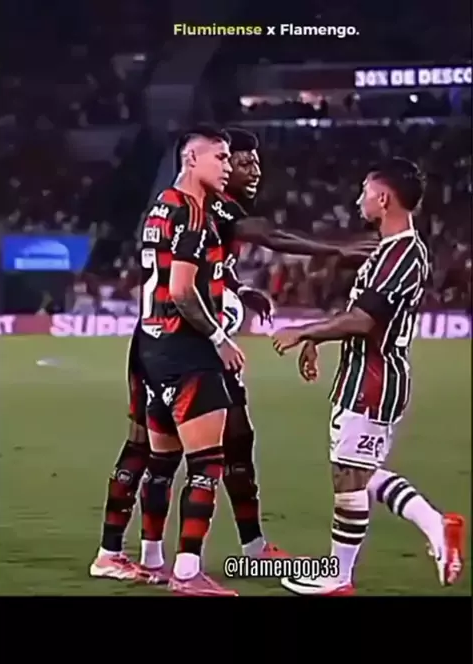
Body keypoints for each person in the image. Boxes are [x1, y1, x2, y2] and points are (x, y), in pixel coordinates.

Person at [90, 127, 379, 583]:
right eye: (238, 162)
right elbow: (266, 236)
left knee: (190, 447)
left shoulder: (184, 206)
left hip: (158, 340)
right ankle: (177, 562)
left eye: (247, 162)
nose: (247, 171)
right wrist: (336, 248)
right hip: (186, 343)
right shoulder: (206, 206)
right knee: (196, 451)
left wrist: (237, 289)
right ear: (201, 161)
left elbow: (200, 268)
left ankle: (159, 555)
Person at [272, 158, 465, 595]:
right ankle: (435, 525)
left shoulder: (403, 255)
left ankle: (339, 577)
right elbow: (360, 314)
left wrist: (304, 331)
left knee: (349, 479)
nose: (359, 199)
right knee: (360, 472)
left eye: (365, 191)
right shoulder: (389, 250)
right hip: (363, 375)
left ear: (383, 198)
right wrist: (317, 341)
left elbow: (363, 320)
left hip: (373, 379)